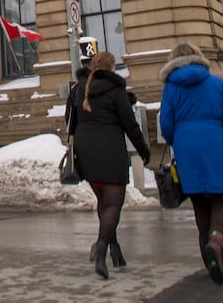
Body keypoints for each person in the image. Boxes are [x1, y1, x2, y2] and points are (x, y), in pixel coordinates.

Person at [159, 42, 223, 286]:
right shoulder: (215, 83)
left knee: (200, 204)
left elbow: (166, 126)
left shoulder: (171, 88)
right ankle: (216, 241)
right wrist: (222, 132)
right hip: (215, 143)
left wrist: (179, 139)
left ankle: (213, 261)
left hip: (186, 148)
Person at [67, 50, 150, 279]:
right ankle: (101, 248)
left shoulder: (80, 88)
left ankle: (115, 250)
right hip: (110, 150)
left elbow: (69, 121)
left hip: (86, 151)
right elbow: (130, 125)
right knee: (113, 204)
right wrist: (144, 150)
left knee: (104, 203)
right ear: (112, 68)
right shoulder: (115, 90)